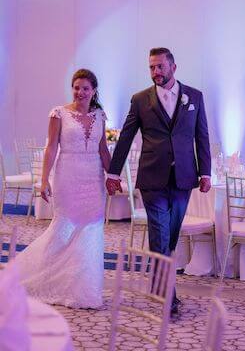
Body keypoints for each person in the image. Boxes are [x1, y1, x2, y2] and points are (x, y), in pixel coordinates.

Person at [106, 47, 211, 315]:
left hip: (184, 178)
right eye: (151, 67)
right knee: (160, 235)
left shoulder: (194, 97)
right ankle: (167, 297)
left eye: (160, 67)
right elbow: (126, 137)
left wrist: (206, 172)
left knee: (171, 237)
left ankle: (160, 287)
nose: (155, 72)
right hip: (152, 178)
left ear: (173, 67)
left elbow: (202, 137)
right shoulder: (140, 99)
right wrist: (113, 173)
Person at [17, 69, 110, 309]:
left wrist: (113, 176)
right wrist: (44, 179)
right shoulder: (59, 114)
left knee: (91, 231)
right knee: (63, 228)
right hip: (68, 175)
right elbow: (51, 148)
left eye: (85, 88)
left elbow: (103, 150)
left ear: (94, 91)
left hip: (94, 178)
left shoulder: (100, 115)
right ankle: (36, 277)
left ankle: (84, 289)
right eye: (76, 87)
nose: (80, 92)